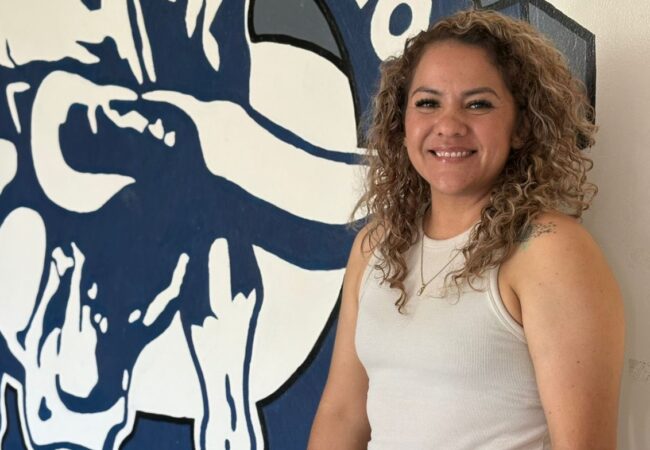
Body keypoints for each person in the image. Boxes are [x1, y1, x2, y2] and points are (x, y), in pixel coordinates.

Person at [308, 8, 624, 450]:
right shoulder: (375, 246)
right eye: (428, 103)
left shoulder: (549, 250)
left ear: (521, 126)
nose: (449, 126)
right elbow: (342, 414)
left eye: (478, 104)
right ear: (402, 124)